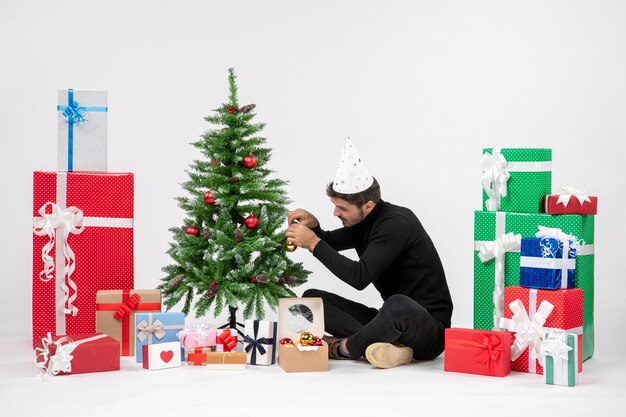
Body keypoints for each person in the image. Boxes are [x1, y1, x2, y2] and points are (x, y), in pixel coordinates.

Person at [285, 137, 453, 369]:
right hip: (390, 320)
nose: (335, 213)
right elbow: (329, 242)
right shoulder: (362, 223)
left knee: (398, 304)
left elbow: (359, 277)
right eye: (335, 206)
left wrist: (314, 243)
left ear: (368, 206)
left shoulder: (396, 223)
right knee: (313, 299)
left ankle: (344, 348)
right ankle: (387, 347)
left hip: (429, 330)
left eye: (342, 208)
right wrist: (315, 229)